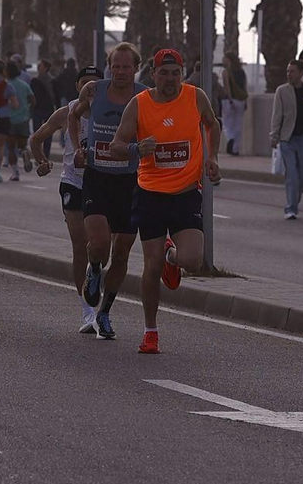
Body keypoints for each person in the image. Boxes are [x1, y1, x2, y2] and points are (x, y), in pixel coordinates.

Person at [107, 47, 222, 354]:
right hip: (150, 195)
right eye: (164, 73)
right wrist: (136, 149)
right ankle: (150, 331)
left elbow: (212, 124)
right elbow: (116, 145)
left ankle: (174, 257)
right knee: (151, 266)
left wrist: (212, 158)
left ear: (181, 74)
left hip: (185, 194)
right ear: (152, 75)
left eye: (175, 73)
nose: (170, 79)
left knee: (192, 260)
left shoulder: (195, 97)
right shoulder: (139, 105)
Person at [69, 43, 148, 337]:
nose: (121, 72)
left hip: (129, 182)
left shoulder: (143, 95)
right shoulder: (94, 91)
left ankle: (104, 313)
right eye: (116, 66)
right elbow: (73, 116)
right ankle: (93, 268)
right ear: (108, 66)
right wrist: (79, 148)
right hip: (97, 177)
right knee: (100, 243)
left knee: (123, 253)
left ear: (135, 69)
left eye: (127, 67)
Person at [33, 64, 104, 332]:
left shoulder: (111, 113)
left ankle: (95, 282)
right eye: (85, 83)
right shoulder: (66, 113)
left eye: (95, 84)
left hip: (102, 183)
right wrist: (41, 161)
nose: (89, 89)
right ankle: (87, 311)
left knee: (99, 247)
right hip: (72, 182)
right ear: (77, 87)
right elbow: (36, 138)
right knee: (80, 244)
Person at [270, 59, 303, 219]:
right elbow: (277, 114)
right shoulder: (282, 91)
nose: (289, 74)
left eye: (292, 71)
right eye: (288, 71)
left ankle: (295, 197)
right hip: (287, 138)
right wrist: (274, 135)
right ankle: (291, 208)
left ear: (301, 73)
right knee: (291, 174)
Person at [7, 60, 35, 178]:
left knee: (11, 148)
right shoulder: (24, 85)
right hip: (23, 119)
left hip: (9, 120)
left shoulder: (5, 85)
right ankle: (24, 152)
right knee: (22, 145)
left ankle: (15, 172)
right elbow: (33, 101)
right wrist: (29, 114)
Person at [221, 52, 248, 157]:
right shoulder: (242, 72)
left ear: (228, 60)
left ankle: (230, 138)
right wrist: (245, 101)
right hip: (241, 100)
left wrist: (230, 99)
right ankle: (235, 149)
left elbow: (227, 86)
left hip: (229, 100)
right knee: (238, 125)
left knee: (227, 123)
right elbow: (245, 88)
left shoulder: (226, 72)